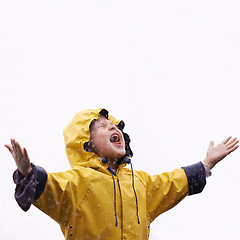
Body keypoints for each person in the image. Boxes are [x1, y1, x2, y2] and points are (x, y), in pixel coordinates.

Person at [5, 108, 239, 240]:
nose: (114, 128)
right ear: (85, 143)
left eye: (115, 126)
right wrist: (27, 173)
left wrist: (206, 164)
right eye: (103, 127)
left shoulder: (140, 183)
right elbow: (50, 187)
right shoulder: (79, 182)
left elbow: (171, 182)